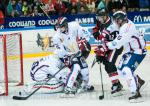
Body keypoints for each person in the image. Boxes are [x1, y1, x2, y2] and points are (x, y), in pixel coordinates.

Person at [104, 11, 146, 101]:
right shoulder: (124, 23)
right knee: (120, 71)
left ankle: (135, 92)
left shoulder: (127, 28)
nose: (114, 22)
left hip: (137, 51)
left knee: (126, 70)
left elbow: (117, 44)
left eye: (115, 20)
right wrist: (104, 33)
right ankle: (138, 81)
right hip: (129, 51)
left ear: (120, 20)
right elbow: (112, 27)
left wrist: (104, 45)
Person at [52, 17, 94, 95]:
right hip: (66, 56)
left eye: (61, 27)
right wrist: (68, 54)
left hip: (78, 52)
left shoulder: (74, 25)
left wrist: (83, 41)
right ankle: (68, 88)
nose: (60, 29)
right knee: (76, 67)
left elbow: (86, 34)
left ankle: (85, 85)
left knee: (85, 70)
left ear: (66, 25)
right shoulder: (56, 37)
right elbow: (60, 52)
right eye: (59, 27)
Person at [92, 8, 123, 96]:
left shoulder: (112, 24)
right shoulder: (101, 21)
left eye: (100, 17)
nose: (99, 19)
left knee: (109, 63)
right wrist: (96, 31)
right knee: (106, 64)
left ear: (105, 16)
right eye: (98, 18)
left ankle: (116, 85)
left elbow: (114, 41)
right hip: (108, 45)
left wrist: (101, 51)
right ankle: (117, 82)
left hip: (116, 46)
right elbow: (100, 35)